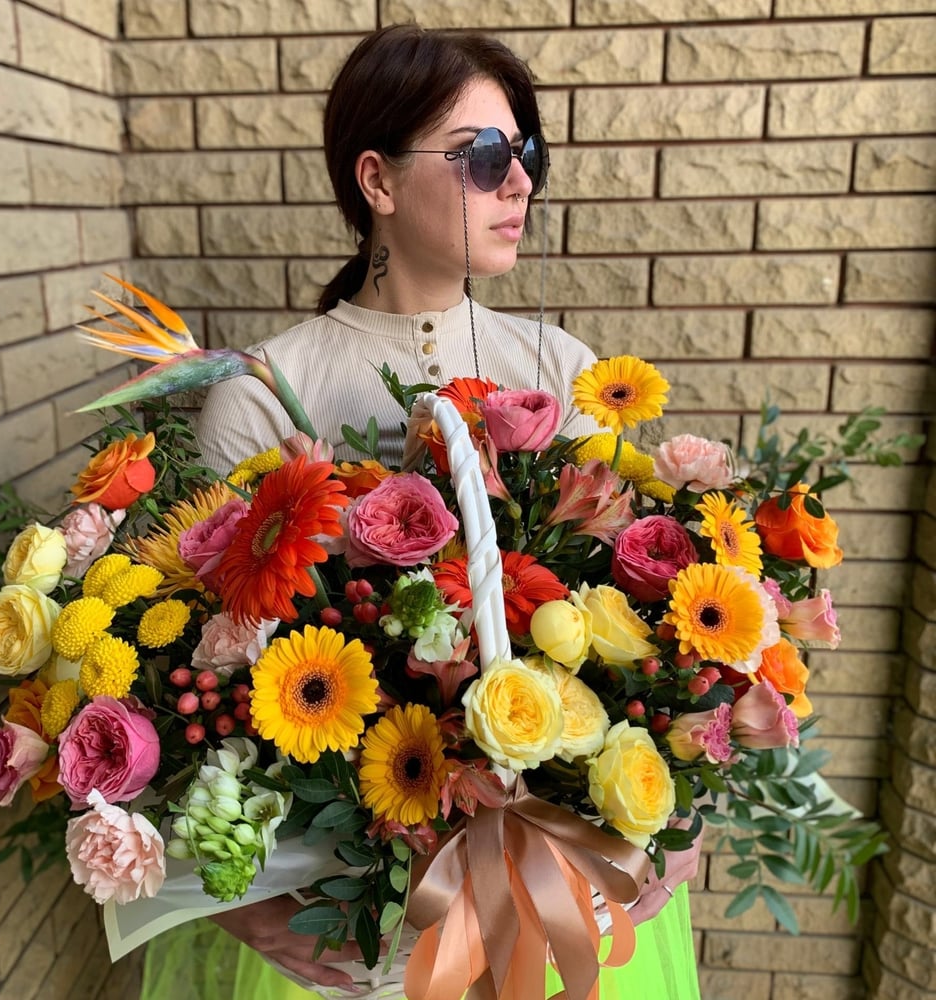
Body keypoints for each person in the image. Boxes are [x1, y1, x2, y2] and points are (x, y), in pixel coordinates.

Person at [142, 23, 701, 1000]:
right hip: (352, 919)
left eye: (525, 153)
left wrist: (679, 807)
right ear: (379, 181)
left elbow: (652, 626)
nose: (518, 182)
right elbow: (200, 680)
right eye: (481, 155)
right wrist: (237, 904)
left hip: (555, 896)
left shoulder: (562, 371)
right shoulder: (267, 392)